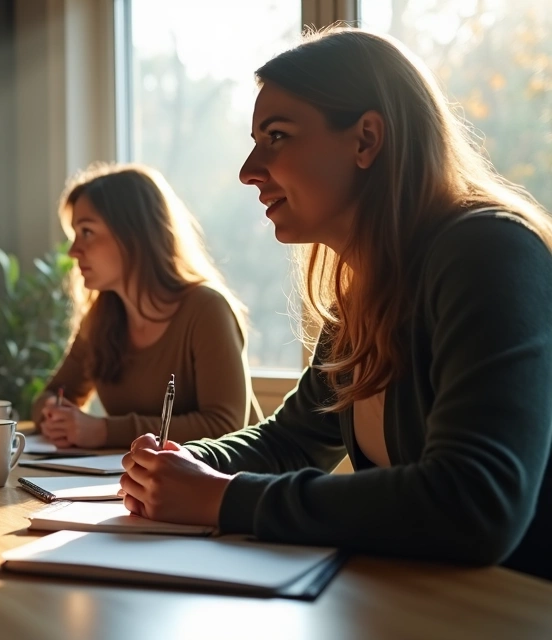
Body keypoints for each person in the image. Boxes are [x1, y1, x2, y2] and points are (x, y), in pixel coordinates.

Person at [120, 27, 552, 581]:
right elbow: (292, 439)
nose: (249, 170)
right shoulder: (366, 288)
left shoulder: (489, 251)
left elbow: (474, 500)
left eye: (276, 136)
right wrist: (189, 466)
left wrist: (223, 498)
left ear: (366, 139)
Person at [31, 163, 259, 450]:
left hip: (228, 487)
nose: (73, 251)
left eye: (86, 232)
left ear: (134, 234)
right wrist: (54, 412)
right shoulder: (101, 318)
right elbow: (51, 395)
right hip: (140, 484)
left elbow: (225, 426)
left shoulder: (206, 309)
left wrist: (104, 431)